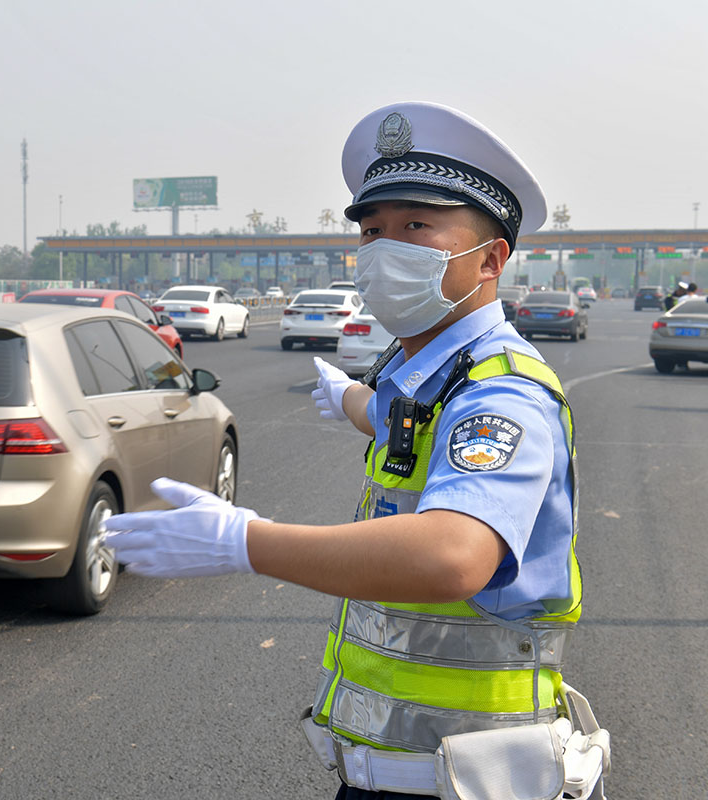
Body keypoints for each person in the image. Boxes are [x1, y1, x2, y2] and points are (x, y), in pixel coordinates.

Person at [103, 102, 608, 799]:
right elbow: (400, 420)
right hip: (399, 770)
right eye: (372, 231)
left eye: (415, 227)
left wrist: (245, 542)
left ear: (491, 259)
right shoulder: (434, 372)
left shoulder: (502, 392)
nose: (383, 248)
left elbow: (453, 556)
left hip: (473, 780)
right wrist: (350, 401)